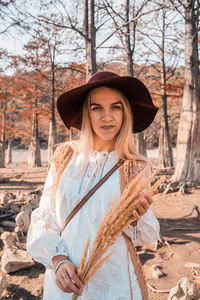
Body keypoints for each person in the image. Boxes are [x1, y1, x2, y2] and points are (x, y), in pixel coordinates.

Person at [27, 71, 160, 300]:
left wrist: (138, 217)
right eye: (96, 107)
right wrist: (57, 261)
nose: (106, 116)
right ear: (86, 113)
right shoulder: (65, 156)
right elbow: (45, 216)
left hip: (114, 284)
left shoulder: (135, 167)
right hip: (64, 280)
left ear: (125, 112)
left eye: (116, 107)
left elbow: (146, 237)